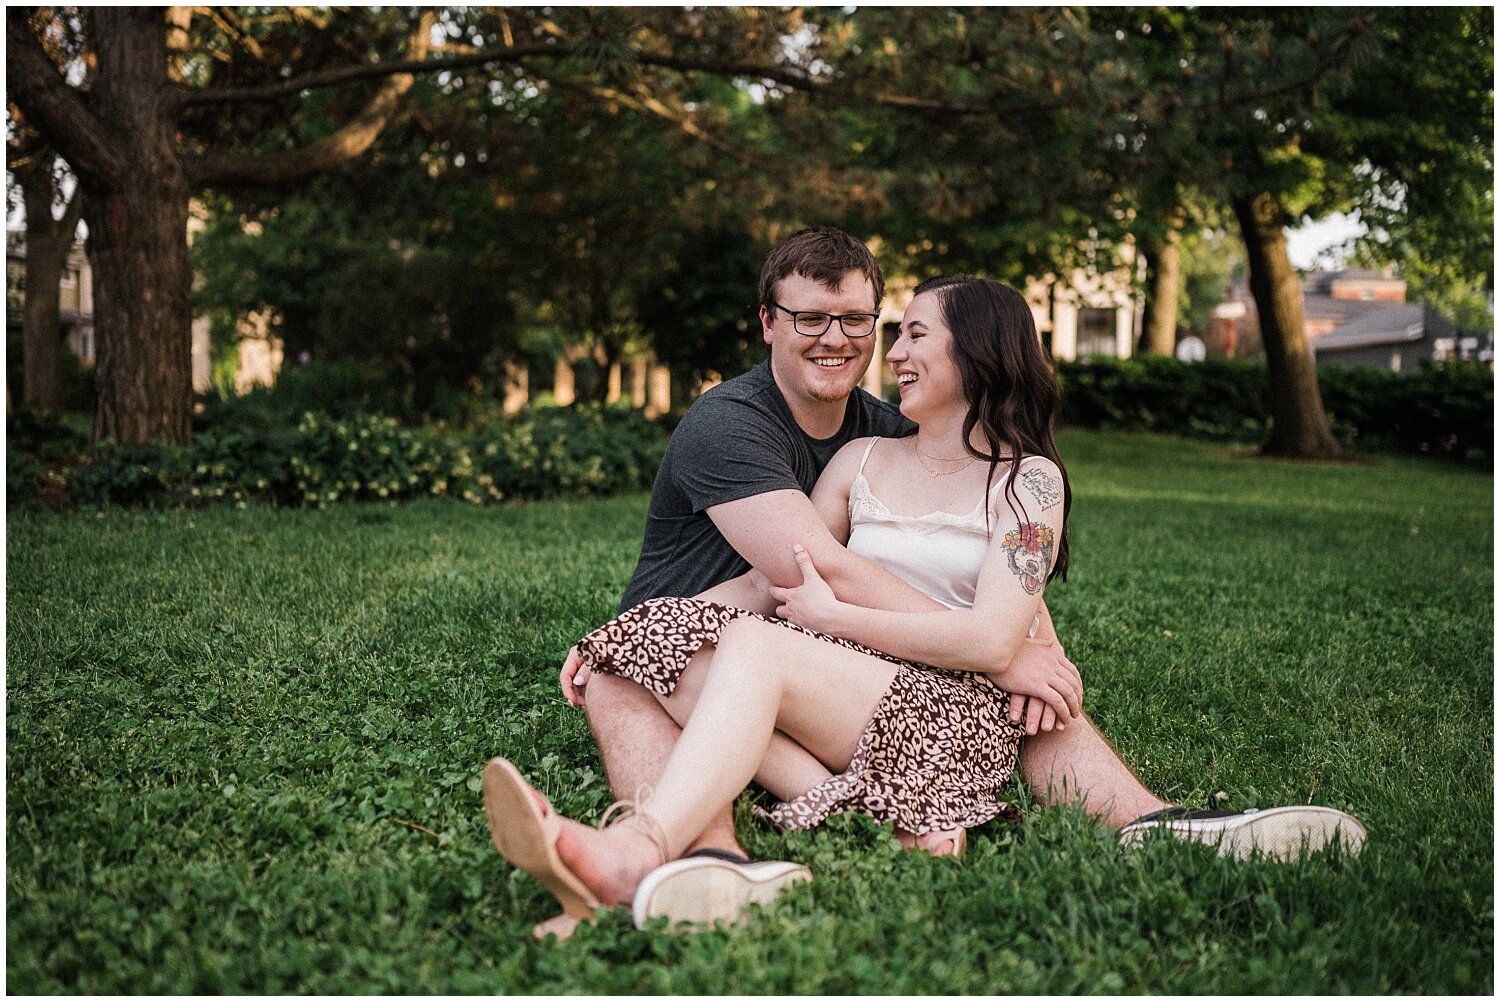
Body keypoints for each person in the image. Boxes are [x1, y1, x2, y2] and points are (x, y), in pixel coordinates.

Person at [484, 262, 1365, 934]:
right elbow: (768, 578)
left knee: (751, 649)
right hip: (854, 692)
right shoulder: (859, 459)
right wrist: (628, 630)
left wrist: (842, 620)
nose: (890, 354)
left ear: (976, 353)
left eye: (911, 336)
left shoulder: (1030, 486)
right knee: (662, 649)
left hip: (957, 709)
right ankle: (739, 856)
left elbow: (988, 641)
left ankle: (636, 850)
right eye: (895, 335)